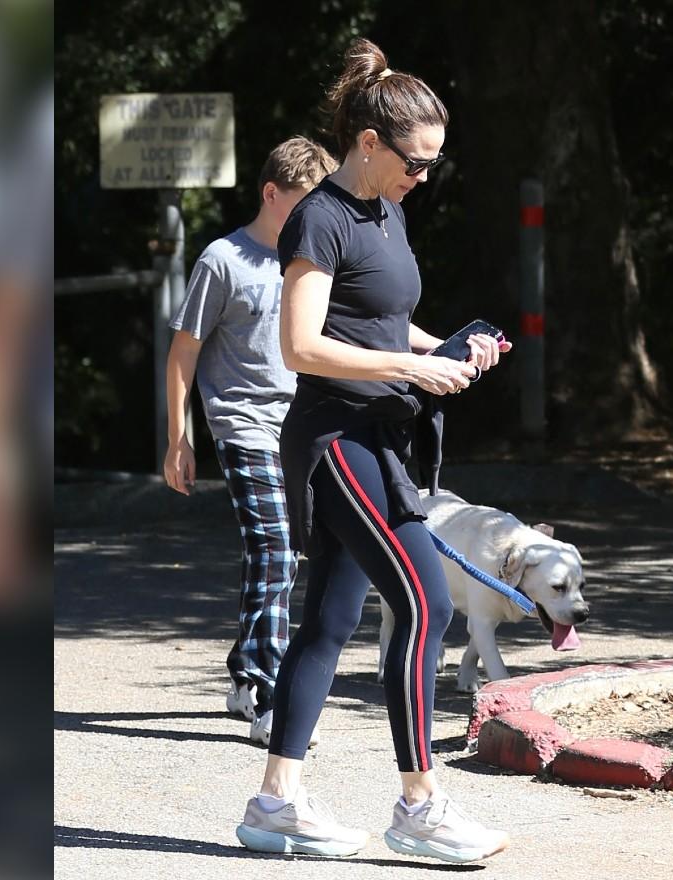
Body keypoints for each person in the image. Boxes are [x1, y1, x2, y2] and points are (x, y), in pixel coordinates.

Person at [233, 39, 514, 864]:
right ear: (368, 144)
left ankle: (275, 799)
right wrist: (410, 367)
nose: (423, 177)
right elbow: (300, 347)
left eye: (432, 163)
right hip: (337, 439)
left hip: (382, 433)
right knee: (426, 601)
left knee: (328, 620)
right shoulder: (320, 217)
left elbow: (385, 324)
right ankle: (418, 806)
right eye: (414, 162)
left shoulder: (385, 211)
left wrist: (452, 349)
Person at [165, 137, 338, 745]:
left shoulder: (311, 261)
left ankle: (244, 670)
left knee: (289, 554)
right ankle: (268, 692)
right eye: (303, 202)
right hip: (241, 424)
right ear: (271, 194)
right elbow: (183, 353)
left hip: (300, 427)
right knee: (275, 549)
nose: (316, 215)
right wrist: (178, 438)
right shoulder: (223, 260)